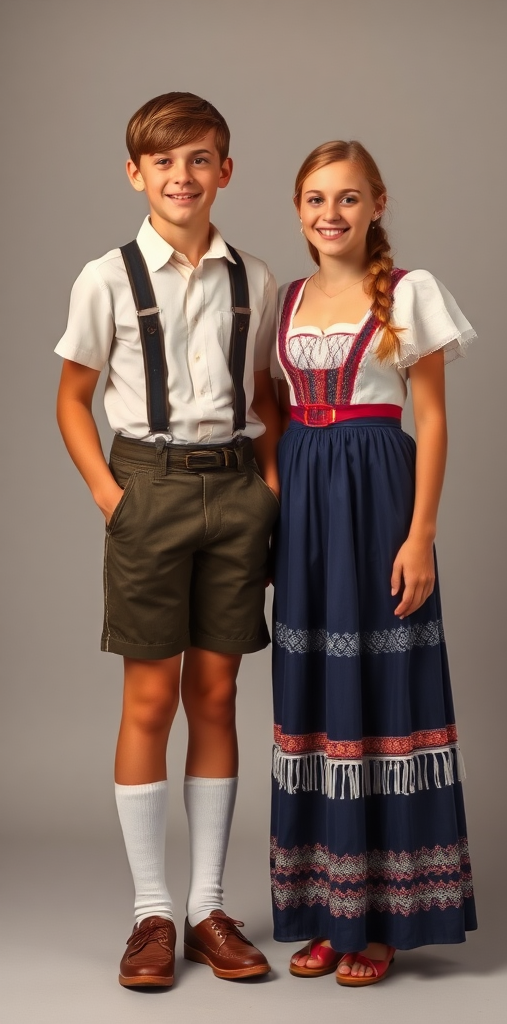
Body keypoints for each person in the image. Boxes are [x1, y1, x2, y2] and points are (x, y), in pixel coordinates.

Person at [55, 91, 280, 988]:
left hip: (234, 488)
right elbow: (72, 399)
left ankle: (206, 909)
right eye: (163, 163)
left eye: (199, 161)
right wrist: (114, 499)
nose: (181, 178)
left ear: (225, 171)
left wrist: (265, 489)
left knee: (216, 698)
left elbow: (263, 399)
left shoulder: (254, 278)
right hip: (144, 489)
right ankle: (151, 913)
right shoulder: (103, 277)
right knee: (150, 700)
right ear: (135, 173)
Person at [270, 140, 477, 986]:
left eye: (349, 198)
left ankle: (385, 919)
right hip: (308, 521)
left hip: (381, 509)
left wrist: (420, 533)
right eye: (316, 199)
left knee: (387, 703)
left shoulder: (407, 293)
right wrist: (283, 512)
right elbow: (271, 422)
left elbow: (430, 420)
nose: (331, 214)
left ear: (377, 203)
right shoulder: (283, 302)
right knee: (317, 698)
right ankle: (329, 912)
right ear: (297, 209)